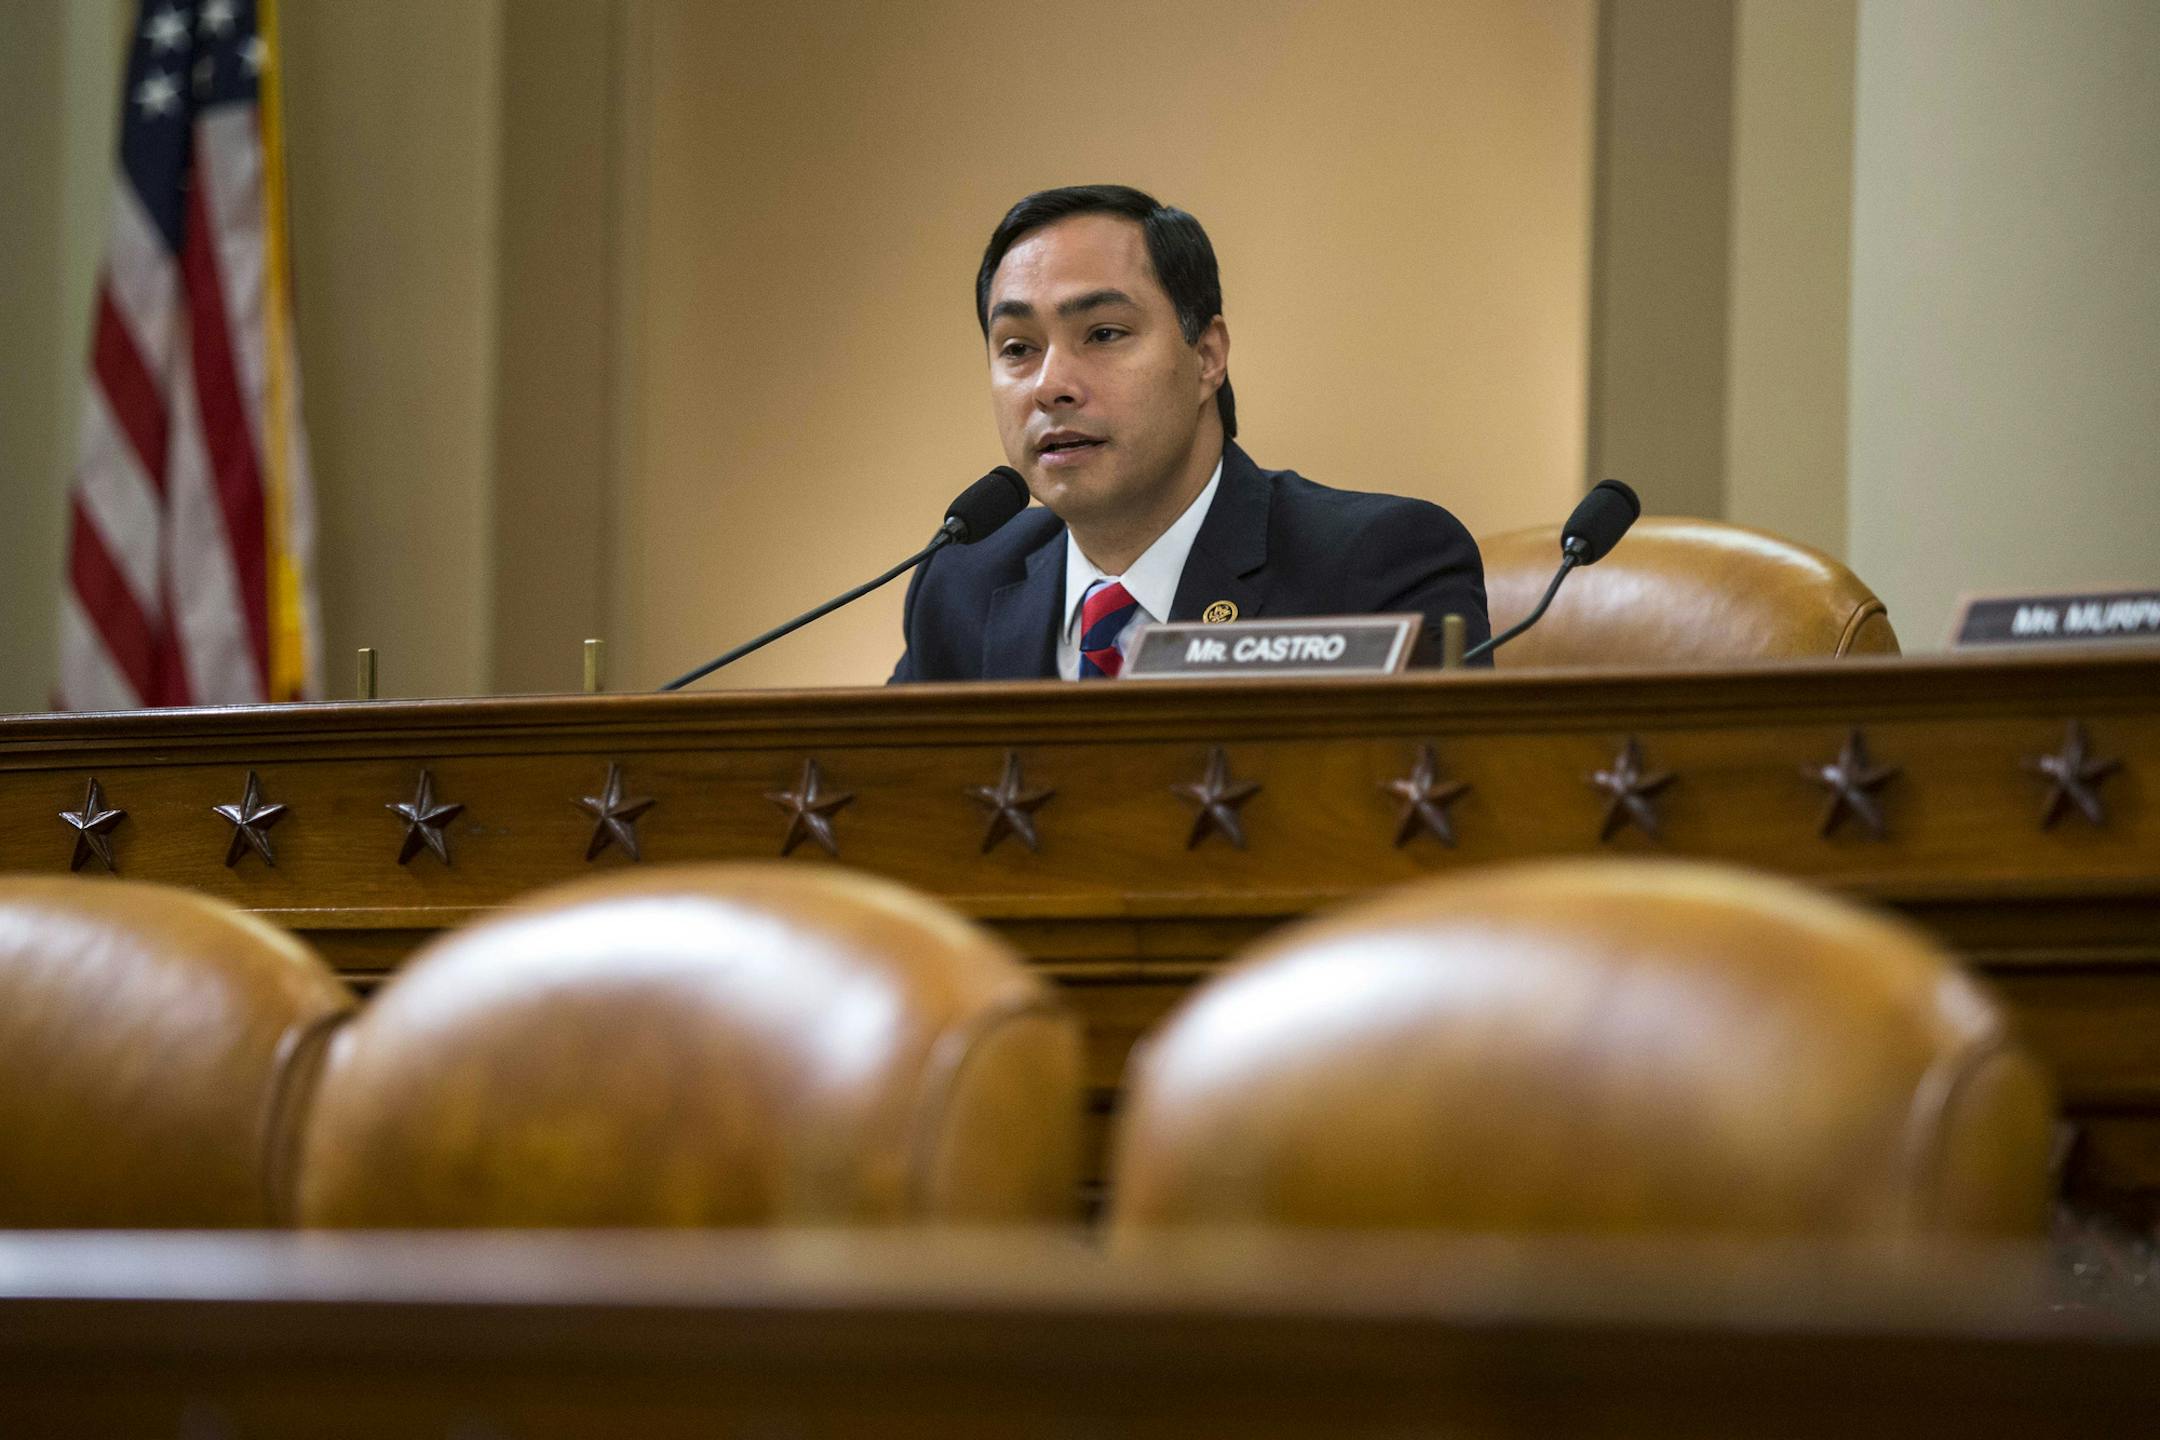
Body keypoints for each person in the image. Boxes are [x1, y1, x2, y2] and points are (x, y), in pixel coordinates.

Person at [889, 184, 1490, 683]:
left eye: (1103, 334)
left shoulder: (1375, 566)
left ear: (1206, 356)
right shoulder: (963, 583)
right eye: (1018, 348)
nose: (1052, 386)